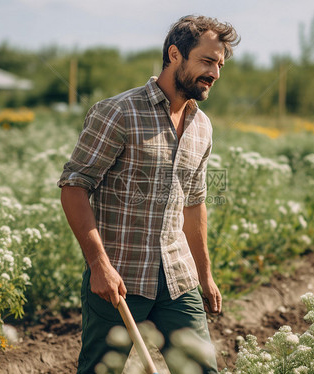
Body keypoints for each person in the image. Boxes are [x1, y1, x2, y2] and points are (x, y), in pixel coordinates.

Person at [58, 15, 240, 374]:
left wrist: (205, 274)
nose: (215, 73)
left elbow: (194, 202)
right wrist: (99, 265)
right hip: (119, 278)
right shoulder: (119, 112)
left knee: (202, 369)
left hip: (178, 277)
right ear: (175, 54)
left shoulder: (201, 126)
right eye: (207, 61)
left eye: (219, 64)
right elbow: (74, 186)